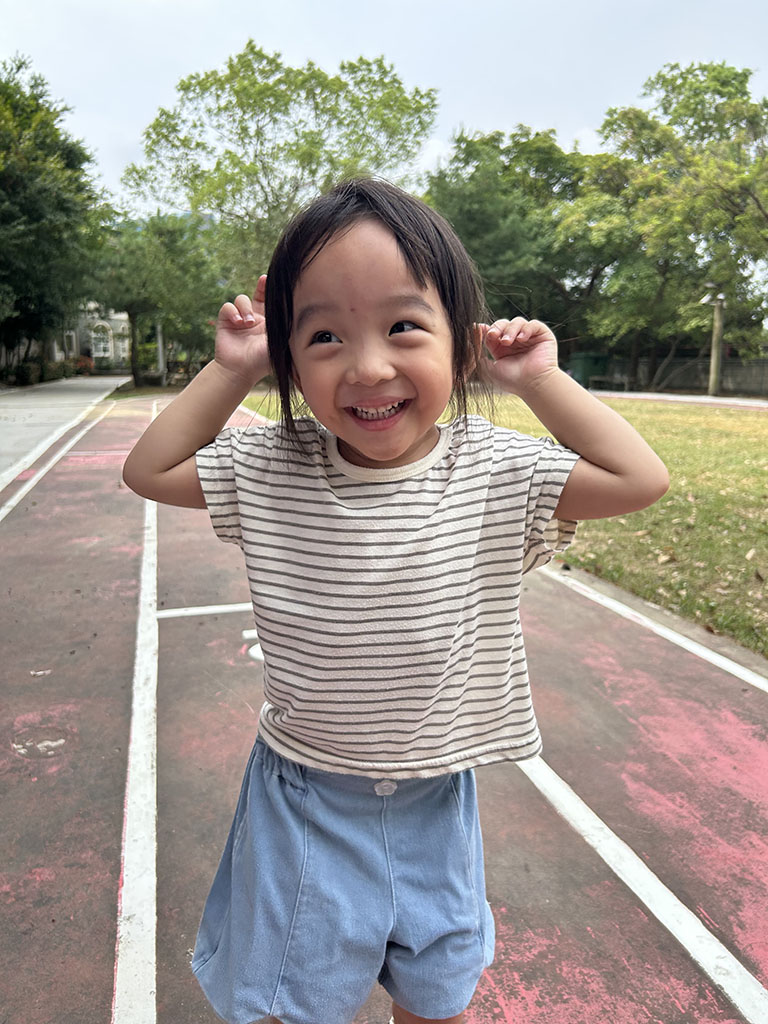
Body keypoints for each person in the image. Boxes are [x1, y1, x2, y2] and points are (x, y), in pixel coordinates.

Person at [123, 178, 669, 1024]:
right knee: (294, 1005)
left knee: (437, 997)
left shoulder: (496, 469)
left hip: (437, 801)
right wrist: (232, 369)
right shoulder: (273, 465)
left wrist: (538, 381)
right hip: (303, 800)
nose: (368, 366)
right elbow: (149, 469)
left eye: (404, 326)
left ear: (462, 342)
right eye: (324, 335)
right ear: (287, 359)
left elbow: (640, 478)